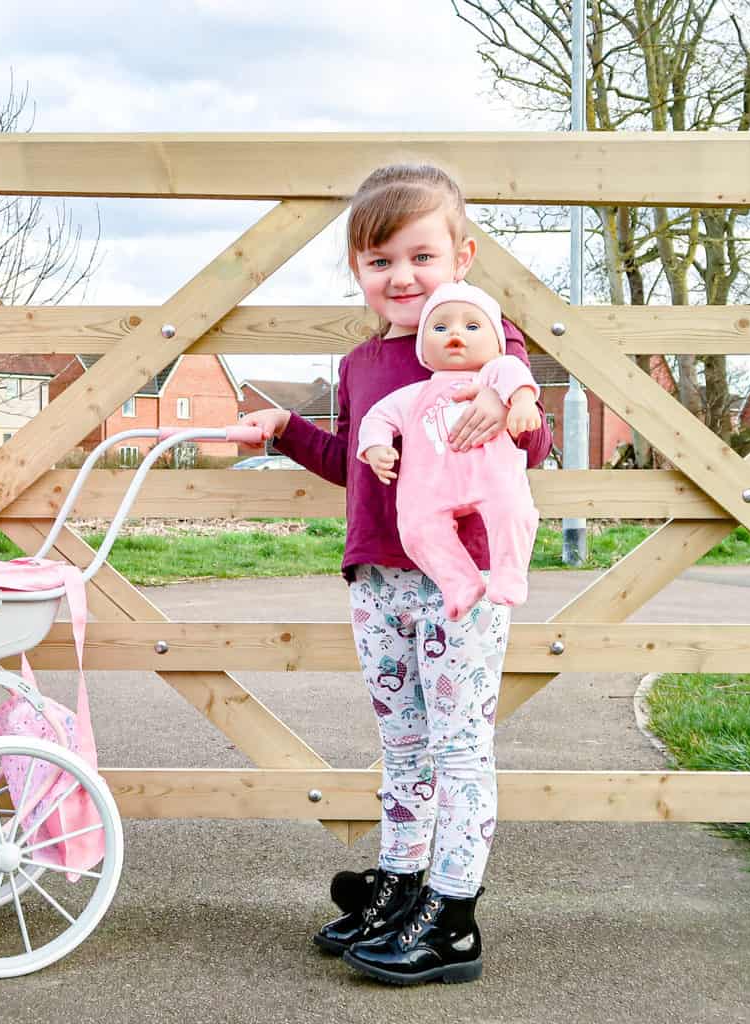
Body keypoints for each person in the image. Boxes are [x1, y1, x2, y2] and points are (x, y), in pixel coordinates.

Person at [239, 163, 552, 986]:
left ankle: (453, 917)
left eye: (421, 257)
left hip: (461, 579)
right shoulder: (360, 365)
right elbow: (356, 463)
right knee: (403, 742)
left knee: (457, 746)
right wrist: (285, 430)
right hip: (378, 577)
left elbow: (531, 436)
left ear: (463, 257)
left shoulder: (482, 342)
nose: (402, 277)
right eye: (379, 261)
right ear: (358, 271)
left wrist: (514, 409)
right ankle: (403, 881)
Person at [357, 281, 541, 622]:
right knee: (416, 528)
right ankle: (459, 582)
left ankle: (509, 575)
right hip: (430, 487)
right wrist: (376, 446)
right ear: (424, 348)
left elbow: (516, 373)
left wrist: (524, 401)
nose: (455, 334)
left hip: (493, 478)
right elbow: (377, 416)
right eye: (440, 327)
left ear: (497, 342)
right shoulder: (415, 394)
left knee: (514, 512)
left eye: (472, 326)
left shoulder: (495, 374)